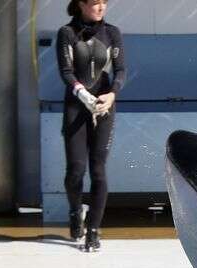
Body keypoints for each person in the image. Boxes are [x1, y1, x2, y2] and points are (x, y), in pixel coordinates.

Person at [56, 0, 124, 253]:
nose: (101, 7)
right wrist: (81, 93)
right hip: (76, 107)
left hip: (103, 106)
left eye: (104, 3)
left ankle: (93, 230)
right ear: (82, 4)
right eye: (95, 3)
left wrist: (112, 94)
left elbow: (121, 70)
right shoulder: (67, 33)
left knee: (98, 170)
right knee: (76, 169)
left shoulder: (112, 33)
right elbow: (66, 71)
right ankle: (76, 211)